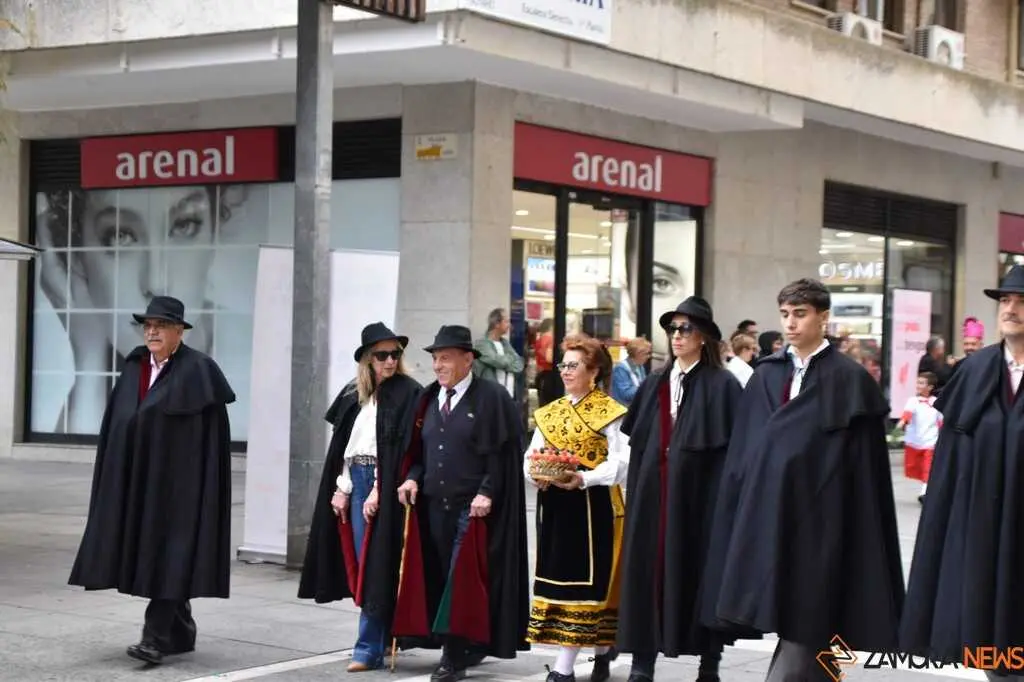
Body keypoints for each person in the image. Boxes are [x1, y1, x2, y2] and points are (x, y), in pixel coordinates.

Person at [700, 278, 905, 682]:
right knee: (797, 620)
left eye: (800, 314)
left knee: (812, 618)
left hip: (826, 519)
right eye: (785, 314)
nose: (790, 323)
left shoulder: (849, 379)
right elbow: (747, 449)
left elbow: (864, 471)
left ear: (823, 317)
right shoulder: (766, 374)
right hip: (771, 512)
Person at [68, 296, 236, 665]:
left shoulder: (199, 371)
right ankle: (181, 630)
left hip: (180, 488)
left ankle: (154, 639)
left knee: (172, 555)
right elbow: (120, 421)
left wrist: (201, 489)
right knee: (161, 556)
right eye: (147, 326)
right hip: (138, 482)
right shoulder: (135, 367)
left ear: (179, 331)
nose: (152, 332)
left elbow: (209, 440)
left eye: (161, 326)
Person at [900, 265, 1024, 681]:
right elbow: (951, 459)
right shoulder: (976, 370)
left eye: (1021, 301)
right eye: (1005, 300)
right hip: (981, 526)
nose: (1010, 309)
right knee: (988, 636)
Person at [617, 297, 748, 682]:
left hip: (700, 500)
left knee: (700, 571)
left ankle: (709, 663)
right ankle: (642, 663)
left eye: (685, 329)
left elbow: (734, 451)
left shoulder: (723, 385)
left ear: (703, 336)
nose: (676, 336)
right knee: (645, 572)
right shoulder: (654, 382)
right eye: (672, 329)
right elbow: (637, 443)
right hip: (652, 496)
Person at [391, 325, 530, 682]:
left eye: (446, 358)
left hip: (473, 508)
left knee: (460, 580)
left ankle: (452, 659)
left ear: (468, 360)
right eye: (436, 358)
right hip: (433, 507)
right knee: (439, 576)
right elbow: (418, 451)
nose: (438, 365)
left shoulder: (492, 398)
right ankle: (464, 643)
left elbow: (502, 454)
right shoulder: (428, 399)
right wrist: (412, 477)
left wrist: (487, 491)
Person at [298, 322, 422, 672]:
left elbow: (404, 449)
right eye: (382, 355)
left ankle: (367, 647)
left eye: (395, 354)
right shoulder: (354, 394)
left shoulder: (409, 392)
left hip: (387, 484)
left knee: (377, 564)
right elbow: (346, 448)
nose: (390, 361)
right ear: (368, 359)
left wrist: (380, 489)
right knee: (361, 563)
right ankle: (378, 640)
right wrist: (342, 487)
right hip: (357, 480)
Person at [524, 334, 628, 682]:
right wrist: (536, 475)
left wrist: (585, 478)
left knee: (589, 585)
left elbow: (622, 463)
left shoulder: (610, 412)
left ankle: (563, 669)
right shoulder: (550, 412)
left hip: (594, 506)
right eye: (563, 365)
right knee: (557, 580)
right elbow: (531, 456)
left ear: (593, 371)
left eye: (573, 365)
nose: (565, 371)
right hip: (556, 506)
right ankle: (602, 651)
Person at [895, 371, 941, 504]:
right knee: (916, 467)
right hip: (915, 440)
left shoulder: (936, 402)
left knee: (928, 468)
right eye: (917, 382)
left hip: (931, 440)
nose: (918, 385)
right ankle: (928, 488)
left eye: (921, 383)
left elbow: (940, 420)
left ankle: (924, 493)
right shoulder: (913, 401)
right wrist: (901, 424)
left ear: (930, 387)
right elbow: (907, 414)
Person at [474, 307, 526, 399]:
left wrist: (505, 361)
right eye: (506, 321)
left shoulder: (505, 343)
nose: (509, 325)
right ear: (497, 324)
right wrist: (510, 359)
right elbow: (498, 361)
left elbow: (519, 365)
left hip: (509, 397)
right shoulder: (482, 344)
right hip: (491, 397)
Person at [610, 337, 652, 405]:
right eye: (647, 353)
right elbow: (626, 394)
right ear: (638, 353)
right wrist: (646, 386)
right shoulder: (621, 368)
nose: (649, 356)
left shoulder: (640, 366)